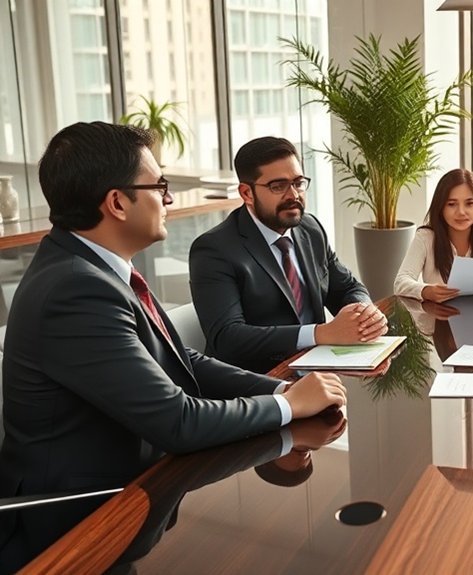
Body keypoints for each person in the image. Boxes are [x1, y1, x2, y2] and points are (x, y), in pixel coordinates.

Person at [0, 122, 346, 563]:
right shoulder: (75, 290)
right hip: (78, 528)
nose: (168, 198)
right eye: (159, 185)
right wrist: (290, 407)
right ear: (117, 203)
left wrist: (279, 390)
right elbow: (176, 421)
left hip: (139, 493)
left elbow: (182, 359)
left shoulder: (99, 271)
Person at [189, 136, 387, 373]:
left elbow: (346, 288)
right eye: (278, 186)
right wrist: (320, 333)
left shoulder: (310, 229)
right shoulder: (214, 249)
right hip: (257, 386)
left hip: (319, 370)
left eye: (298, 182)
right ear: (247, 193)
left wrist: (365, 314)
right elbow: (228, 338)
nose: (293, 195)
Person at [394, 168, 473, 302]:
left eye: (469, 203)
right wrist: (426, 291)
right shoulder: (425, 237)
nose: (461, 212)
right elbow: (401, 282)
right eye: (451, 204)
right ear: (440, 207)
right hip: (436, 317)